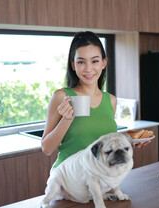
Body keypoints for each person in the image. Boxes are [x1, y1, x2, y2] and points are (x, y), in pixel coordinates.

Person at [41, 31, 148, 168]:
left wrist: (129, 142)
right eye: (81, 62)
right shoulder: (62, 97)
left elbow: (104, 144)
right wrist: (66, 119)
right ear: (73, 65)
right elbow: (47, 149)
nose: (88, 68)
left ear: (104, 63)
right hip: (67, 181)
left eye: (95, 61)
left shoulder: (111, 100)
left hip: (100, 179)